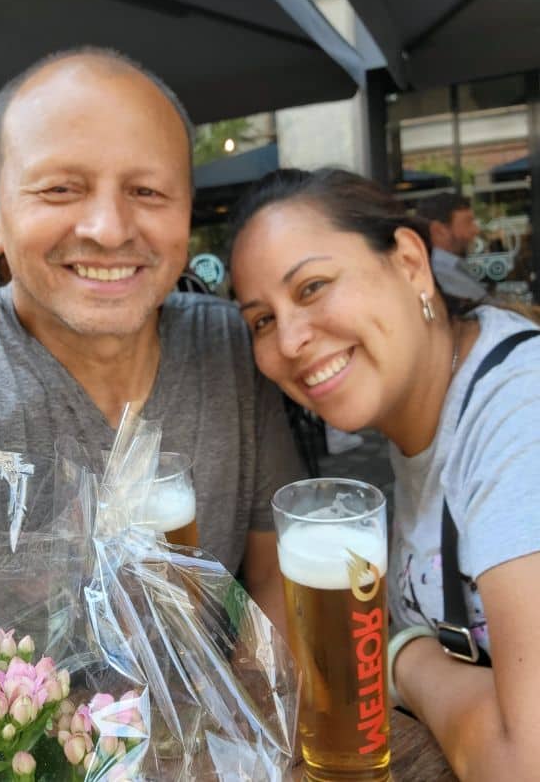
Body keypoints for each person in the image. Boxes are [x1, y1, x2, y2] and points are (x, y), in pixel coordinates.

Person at [0, 47, 304, 629]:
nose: (108, 230)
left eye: (147, 192)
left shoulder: (228, 346)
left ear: (186, 212)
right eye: (60, 189)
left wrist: (248, 709)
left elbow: (275, 576)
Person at [229, 167, 540, 781]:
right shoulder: (423, 425)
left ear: (409, 262)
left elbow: (525, 763)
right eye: (261, 320)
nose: (289, 340)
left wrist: (404, 663)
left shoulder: (519, 413)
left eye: (313, 286)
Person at [416, 191, 487, 300]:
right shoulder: (439, 276)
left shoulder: (449, 269)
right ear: (439, 230)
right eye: (468, 222)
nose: (476, 230)